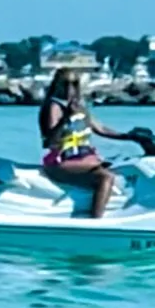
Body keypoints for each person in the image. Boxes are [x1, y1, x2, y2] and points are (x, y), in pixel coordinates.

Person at [38, 67, 139, 218]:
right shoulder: (53, 107)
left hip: (84, 159)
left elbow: (101, 129)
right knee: (106, 177)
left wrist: (130, 136)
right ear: (56, 85)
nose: (69, 88)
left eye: (74, 83)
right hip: (61, 162)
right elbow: (51, 140)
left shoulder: (79, 107)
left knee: (125, 166)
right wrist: (65, 119)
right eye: (65, 84)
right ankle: (95, 220)